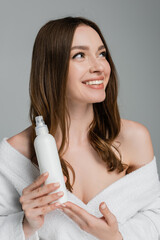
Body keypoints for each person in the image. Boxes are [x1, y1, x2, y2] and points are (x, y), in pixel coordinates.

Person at [0, 16, 160, 240]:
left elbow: (155, 220)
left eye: (102, 54)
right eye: (80, 55)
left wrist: (116, 237)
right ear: (51, 68)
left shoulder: (134, 139)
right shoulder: (14, 156)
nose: (98, 67)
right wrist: (26, 225)